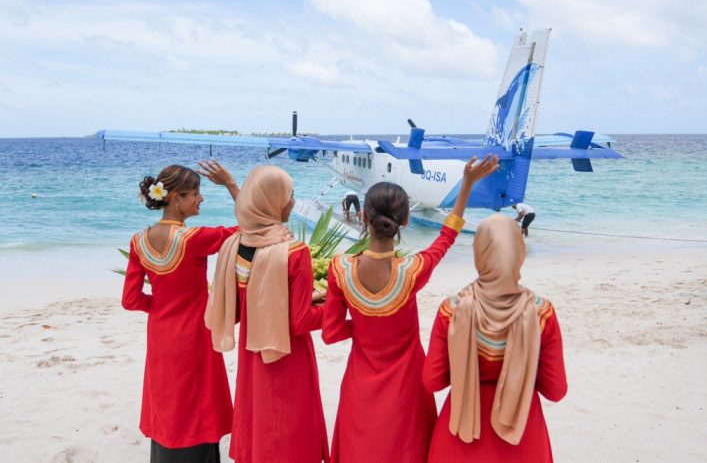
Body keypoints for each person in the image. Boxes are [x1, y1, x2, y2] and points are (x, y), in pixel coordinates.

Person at [322, 154, 500, 463]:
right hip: (407, 389)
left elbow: (331, 333)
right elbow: (447, 236)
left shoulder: (340, 269)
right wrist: (467, 183)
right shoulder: (412, 271)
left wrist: (363, 324)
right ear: (405, 221)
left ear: (363, 216)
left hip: (359, 388)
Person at [206, 165, 329, 463]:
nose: (292, 202)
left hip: (253, 347)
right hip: (286, 352)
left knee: (260, 416)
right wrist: (335, 306)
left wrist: (233, 185)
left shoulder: (235, 244)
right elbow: (299, 322)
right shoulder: (292, 252)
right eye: (289, 196)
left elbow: (247, 298)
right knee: (290, 422)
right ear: (272, 201)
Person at [423, 215, 567, 462]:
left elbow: (432, 381)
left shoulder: (452, 311)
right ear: (518, 253)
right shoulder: (542, 314)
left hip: (460, 437)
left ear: (479, 252)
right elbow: (556, 391)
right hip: (521, 438)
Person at [122, 161, 240, 463]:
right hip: (195, 335)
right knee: (197, 405)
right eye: (196, 194)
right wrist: (230, 185)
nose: (200, 199)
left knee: (169, 403)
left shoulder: (138, 241)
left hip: (161, 335)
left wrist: (160, 306)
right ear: (176, 198)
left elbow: (131, 300)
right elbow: (252, 228)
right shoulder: (195, 239)